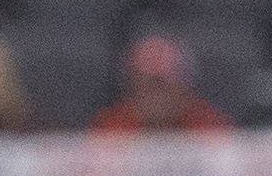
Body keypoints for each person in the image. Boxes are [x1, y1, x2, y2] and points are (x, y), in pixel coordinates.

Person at [87, 30, 229, 132]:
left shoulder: (206, 125)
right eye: (149, 86)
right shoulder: (113, 127)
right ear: (133, 87)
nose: (157, 98)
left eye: (163, 85)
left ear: (183, 87)